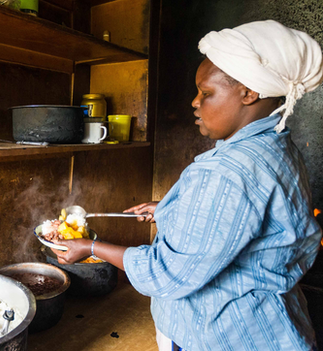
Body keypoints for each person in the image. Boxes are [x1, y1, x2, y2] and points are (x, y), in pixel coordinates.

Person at [53, 20, 322, 351]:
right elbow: (243, 223)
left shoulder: (228, 171)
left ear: (249, 93)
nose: (195, 102)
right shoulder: (275, 146)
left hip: (223, 336)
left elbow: (165, 273)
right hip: (273, 327)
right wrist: (172, 208)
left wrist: (90, 248)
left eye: (206, 93)